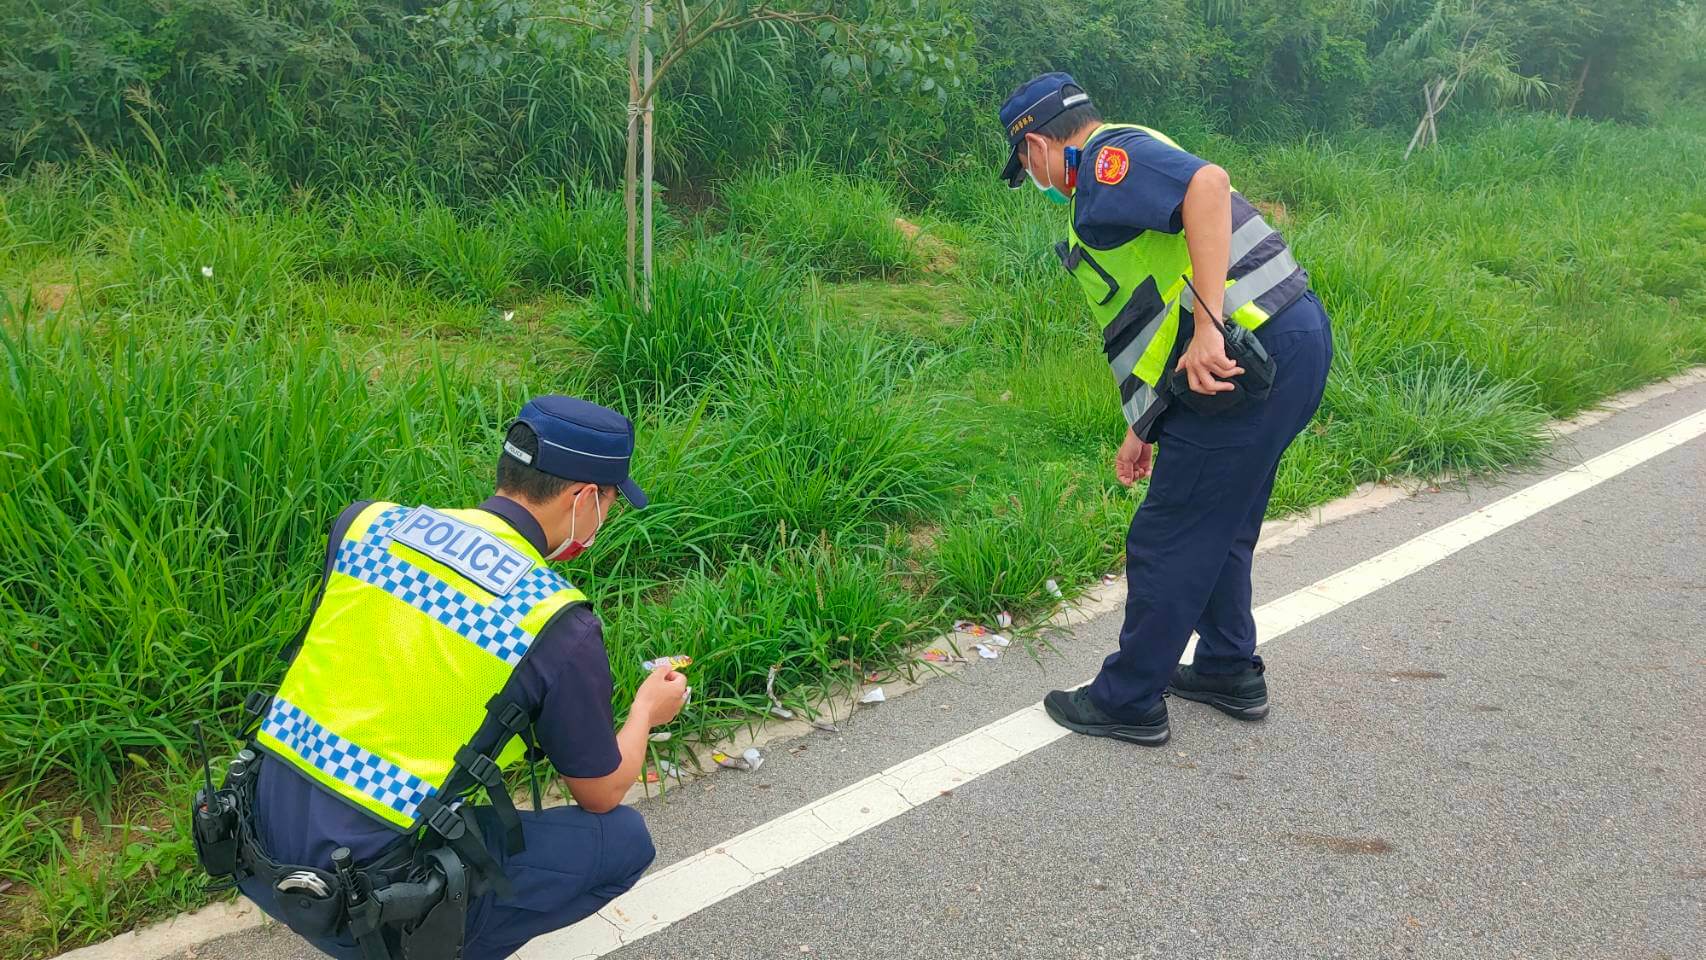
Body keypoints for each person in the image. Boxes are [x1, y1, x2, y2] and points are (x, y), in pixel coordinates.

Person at [227, 396, 685, 960]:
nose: (605, 516)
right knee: (622, 842)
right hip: (368, 893)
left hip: (256, 837)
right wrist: (645, 710)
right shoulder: (556, 621)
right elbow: (603, 791)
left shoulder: (366, 525)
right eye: (611, 500)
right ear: (584, 499)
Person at [996, 73, 1333, 746]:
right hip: (1285, 341)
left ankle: (1128, 698)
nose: (1031, 176)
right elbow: (1158, 315)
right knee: (1222, 518)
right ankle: (1228, 669)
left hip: (1245, 351)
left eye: (1024, 163)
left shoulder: (1104, 163)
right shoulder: (1124, 167)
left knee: (1170, 534)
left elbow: (1208, 184)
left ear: (1036, 144)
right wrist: (1144, 424)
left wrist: (1211, 324)